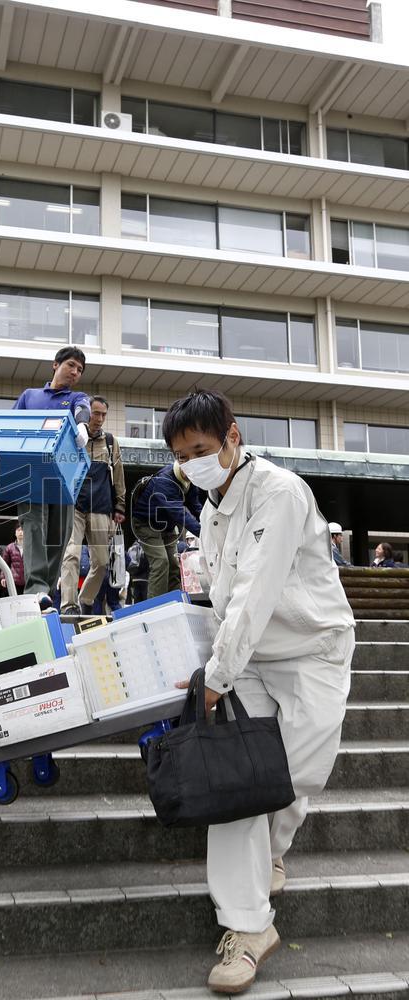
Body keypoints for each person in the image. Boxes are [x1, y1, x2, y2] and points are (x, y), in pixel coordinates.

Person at [165, 390, 354, 994]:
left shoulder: (279, 492)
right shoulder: (211, 511)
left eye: (200, 449)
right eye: (180, 456)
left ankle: (271, 853)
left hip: (312, 651)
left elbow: (256, 592)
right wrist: (210, 666)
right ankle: (248, 928)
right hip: (247, 660)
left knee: (297, 777)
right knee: (242, 779)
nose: (191, 464)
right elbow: (224, 601)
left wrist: (214, 678)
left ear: (233, 436)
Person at [12, 347, 90, 606]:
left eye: (80, 369)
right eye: (71, 365)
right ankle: (35, 588)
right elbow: (12, 423)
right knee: (34, 525)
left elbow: (83, 409)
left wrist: (82, 425)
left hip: (63, 475)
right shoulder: (30, 396)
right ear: (55, 364)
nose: (75, 372)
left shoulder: (77, 397)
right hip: (32, 472)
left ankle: (46, 591)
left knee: (60, 532)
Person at [60, 395, 125, 615]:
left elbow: (119, 477)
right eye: (96, 413)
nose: (99, 419)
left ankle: (85, 599)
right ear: (87, 413)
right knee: (71, 555)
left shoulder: (110, 442)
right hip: (74, 507)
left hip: (101, 507)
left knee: (102, 562)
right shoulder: (72, 438)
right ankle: (69, 606)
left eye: (103, 414)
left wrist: (120, 507)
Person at [130, 462, 202, 599]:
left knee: (174, 563)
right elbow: (180, 514)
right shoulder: (164, 481)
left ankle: (174, 601)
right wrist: (203, 534)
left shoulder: (189, 481)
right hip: (145, 524)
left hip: (167, 525)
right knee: (160, 562)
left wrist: (209, 524)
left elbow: (195, 506)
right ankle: (157, 605)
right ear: (181, 466)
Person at [0, 524, 25, 594]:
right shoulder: (10, 547)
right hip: (14, 581)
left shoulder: (31, 547)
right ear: (15, 533)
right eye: (18, 530)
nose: (20, 532)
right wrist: (3, 577)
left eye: (22, 530)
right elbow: (4, 564)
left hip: (28, 582)